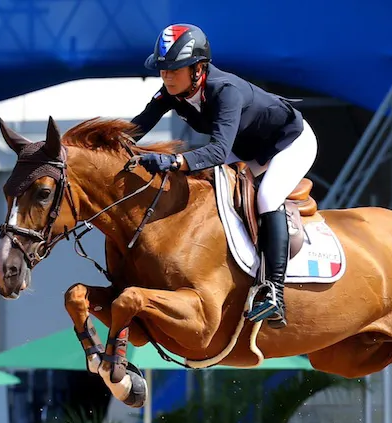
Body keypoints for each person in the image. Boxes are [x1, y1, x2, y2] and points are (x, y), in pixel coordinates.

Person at [130, 23, 318, 328]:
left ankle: (275, 293)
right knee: (212, 194)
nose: (166, 77)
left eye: (174, 70)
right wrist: (102, 146)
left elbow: (216, 153)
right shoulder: (171, 92)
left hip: (288, 143)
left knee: (268, 197)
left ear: (199, 68)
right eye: (163, 70)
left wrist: (175, 161)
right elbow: (137, 127)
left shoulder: (224, 91)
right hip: (244, 147)